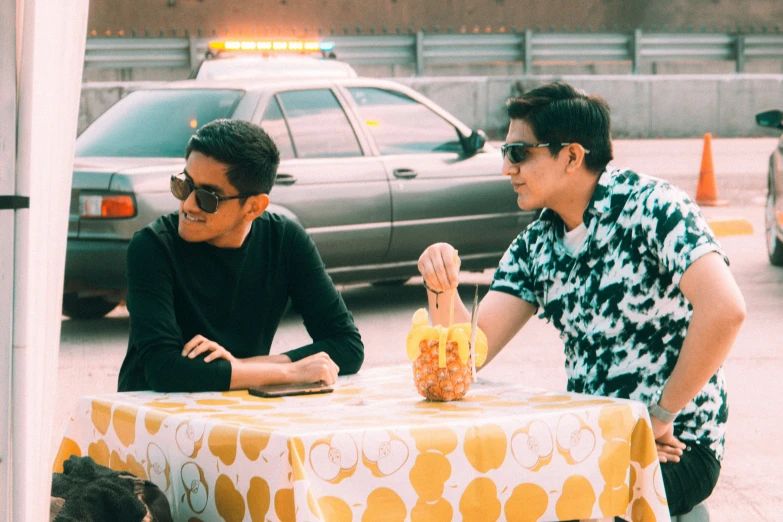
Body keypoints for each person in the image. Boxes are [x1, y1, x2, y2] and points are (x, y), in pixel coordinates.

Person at [417, 82, 745, 517]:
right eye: (505, 152)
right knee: (479, 489)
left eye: (518, 152)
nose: (506, 168)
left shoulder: (654, 207)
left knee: (554, 504)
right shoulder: (537, 243)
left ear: (571, 156)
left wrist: (663, 413)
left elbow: (726, 310)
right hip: (591, 439)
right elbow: (470, 353)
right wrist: (442, 286)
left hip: (677, 445)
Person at [118, 119, 364, 393]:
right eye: (184, 185)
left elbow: (347, 346)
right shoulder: (152, 247)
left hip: (237, 413)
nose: (187, 204)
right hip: (148, 418)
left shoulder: (285, 241)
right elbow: (164, 370)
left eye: (207, 197)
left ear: (253, 207)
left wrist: (241, 366)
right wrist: (287, 372)